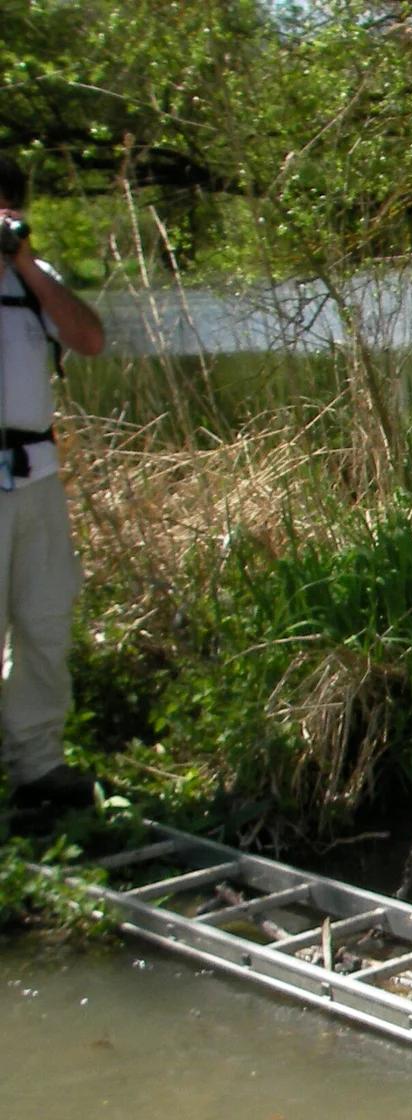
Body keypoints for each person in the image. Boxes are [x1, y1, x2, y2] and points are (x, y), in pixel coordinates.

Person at [0, 153, 106, 810]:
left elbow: (88, 339)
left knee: (43, 619)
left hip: (33, 474)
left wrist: (28, 264)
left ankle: (37, 767)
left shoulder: (34, 281)